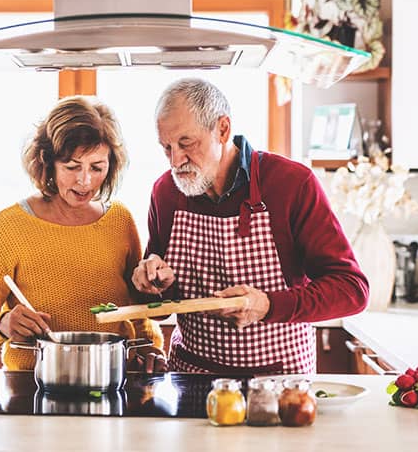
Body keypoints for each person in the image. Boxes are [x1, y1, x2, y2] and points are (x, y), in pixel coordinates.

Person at [132, 78, 368, 375]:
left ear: (222, 129)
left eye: (186, 143)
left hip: (279, 380)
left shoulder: (292, 184)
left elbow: (352, 289)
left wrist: (267, 305)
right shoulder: (166, 192)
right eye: (166, 147)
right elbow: (159, 299)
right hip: (191, 376)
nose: (176, 160)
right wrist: (154, 283)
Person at [0, 96, 166, 372]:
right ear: (48, 163)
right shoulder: (8, 227)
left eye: (97, 167)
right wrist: (2, 324)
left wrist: (150, 348)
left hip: (112, 377)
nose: (85, 181)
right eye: (71, 167)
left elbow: (138, 311)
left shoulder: (119, 220)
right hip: (33, 385)